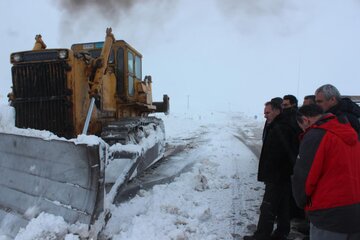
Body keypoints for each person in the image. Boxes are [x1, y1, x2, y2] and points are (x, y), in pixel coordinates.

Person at [292, 104, 360, 240]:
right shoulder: (351, 133)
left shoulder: (316, 136)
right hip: (356, 210)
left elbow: (304, 178)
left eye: (302, 127)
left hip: (329, 213)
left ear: (306, 120)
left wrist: (301, 202)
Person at [244, 101, 295, 240]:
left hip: (277, 176)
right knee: (283, 205)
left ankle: (262, 235)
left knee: (268, 207)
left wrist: (271, 174)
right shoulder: (281, 125)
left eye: (268, 112)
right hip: (283, 175)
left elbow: (280, 154)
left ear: (277, 111)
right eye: (264, 113)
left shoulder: (280, 127)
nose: (265, 116)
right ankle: (282, 232)